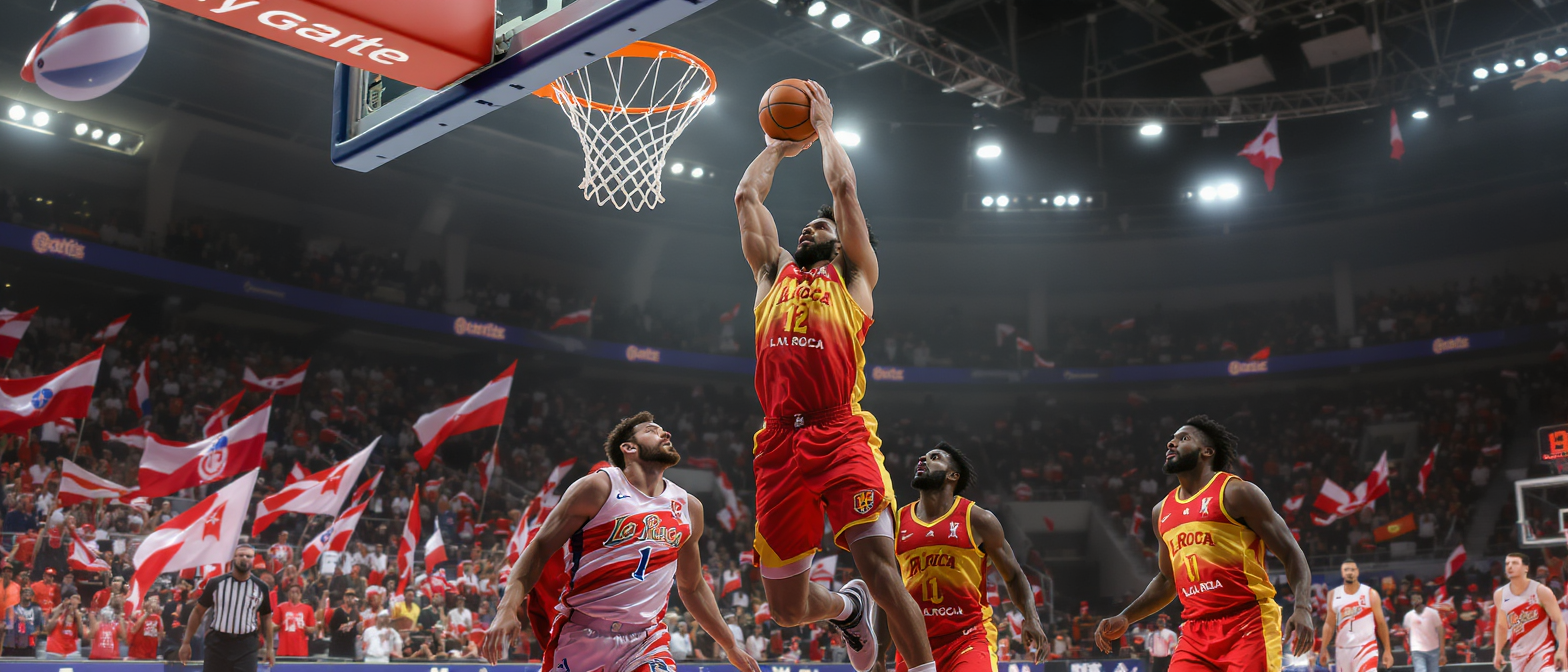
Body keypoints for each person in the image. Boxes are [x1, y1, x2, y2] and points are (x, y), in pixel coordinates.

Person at [733, 78, 932, 672]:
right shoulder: (771, 275)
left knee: (879, 569)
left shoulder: (856, 281)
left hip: (839, 433)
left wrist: (820, 125)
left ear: (848, 245)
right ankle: (846, 612)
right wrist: (775, 144)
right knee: (788, 610)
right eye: (806, 228)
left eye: (821, 229)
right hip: (779, 442)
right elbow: (746, 198)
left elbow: (843, 185)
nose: (806, 230)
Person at [482, 413, 761, 672]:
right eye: (653, 431)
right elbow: (539, 548)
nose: (666, 435)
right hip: (582, 636)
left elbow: (693, 586)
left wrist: (729, 644)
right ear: (629, 448)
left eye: (664, 431)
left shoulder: (689, 507)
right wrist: (506, 609)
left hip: (645, 640)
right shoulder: (598, 488)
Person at [1092, 415, 1317, 672]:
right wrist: (1126, 616)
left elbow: (1291, 554)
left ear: (1207, 451)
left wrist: (1302, 607)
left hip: (1248, 623)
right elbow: (1168, 580)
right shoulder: (1161, 511)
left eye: (1183, 438)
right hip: (1195, 633)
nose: (1171, 444)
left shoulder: (1236, 493)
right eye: (1171, 439)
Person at [871, 442, 1047, 672]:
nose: (922, 460)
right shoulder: (896, 523)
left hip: (968, 638)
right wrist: (879, 652)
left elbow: (1013, 575)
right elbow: (887, 590)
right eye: (921, 457)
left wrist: (1031, 617)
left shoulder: (978, 520)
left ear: (953, 475)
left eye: (933, 457)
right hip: (914, 644)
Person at [180, 545, 276, 672]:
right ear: (233, 558)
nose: (244, 558)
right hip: (218, 644)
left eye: (249, 556)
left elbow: (266, 618)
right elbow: (198, 612)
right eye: (241, 555)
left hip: (246, 646)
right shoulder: (215, 583)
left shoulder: (261, 587)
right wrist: (186, 642)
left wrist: (269, 648)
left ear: (253, 560)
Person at [1493, 552, 1568, 672]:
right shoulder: (1499, 594)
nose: (1510, 566)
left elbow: (1559, 621)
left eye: (1515, 563)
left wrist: (1561, 650)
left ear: (1525, 568)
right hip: (1518, 656)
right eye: (1507, 563)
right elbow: (1501, 626)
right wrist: (1498, 652)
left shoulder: (1541, 591)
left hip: (1542, 654)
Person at [1320, 559, 1393, 672]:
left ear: (1357, 572)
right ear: (1342, 573)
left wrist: (1387, 650)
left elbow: (1381, 623)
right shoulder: (1333, 594)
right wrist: (1323, 648)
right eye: (1346, 570)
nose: (1349, 572)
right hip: (1343, 650)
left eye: (1352, 570)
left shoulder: (1370, 594)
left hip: (1366, 647)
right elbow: (1329, 624)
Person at [1402, 592, 1445, 672]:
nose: (1416, 601)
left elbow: (1441, 632)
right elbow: (1407, 635)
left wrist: (1442, 653)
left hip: (1433, 649)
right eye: (1413, 599)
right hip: (1417, 650)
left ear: (1422, 599)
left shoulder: (1433, 613)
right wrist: (1409, 653)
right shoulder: (1408, 616)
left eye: (1418, 598)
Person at [273, 584, 316, 658]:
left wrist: (308, 629)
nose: (295, 594)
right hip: (284, 649)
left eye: (297, 592)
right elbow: (273, 625)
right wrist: (277, 626)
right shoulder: (280, 607)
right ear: (288, 594)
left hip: (301, 649)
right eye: (292, 592)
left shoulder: (308, 609)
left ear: (301, 595)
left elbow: (312, 628)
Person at [3, 586, 45, 657]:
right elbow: (7, 627)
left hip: (29, 646)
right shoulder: (11, 609)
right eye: (25, 592)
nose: (27, 593)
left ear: (32, 596)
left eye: (29, 592)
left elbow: (42, 629)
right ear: (20, 594)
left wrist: (36, 633)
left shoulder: (37, 610)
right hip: (12, 645)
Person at [43, 592, 84, 660]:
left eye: (77, 599)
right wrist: (60, 611)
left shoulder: (78, 616)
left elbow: (81, 634)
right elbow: (48, 630)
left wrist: (78, 617)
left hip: (71, 652)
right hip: (55, 651)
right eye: (73, 598)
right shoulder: (58, 612)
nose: (74, 601)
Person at [326, 589, 361, 659]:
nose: (350, 599)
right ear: (344, 598)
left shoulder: (354, 613)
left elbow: (356, 628)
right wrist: (341, 628)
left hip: (349, 647)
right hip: (337, 646)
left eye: (352, 597)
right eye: (348, 596)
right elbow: (331, 628)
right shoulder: (338, 611)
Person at [127, 595, 163, 661]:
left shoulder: (158, 618)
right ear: (145, 603)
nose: (154, 604)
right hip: (137, 653)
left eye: (156, 602)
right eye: (151, 601)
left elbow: (160, 635)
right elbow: (133, 630)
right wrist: (147, 614)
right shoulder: (137, 614)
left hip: (151, 654)